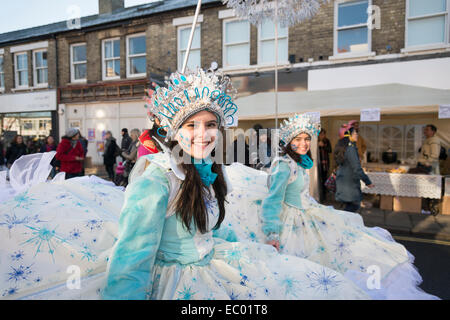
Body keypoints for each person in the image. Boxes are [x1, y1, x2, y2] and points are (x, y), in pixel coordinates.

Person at [101, 68, 369, 300]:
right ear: (174, 130)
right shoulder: (157, 180)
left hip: (213, 268)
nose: (203, 134)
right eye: (191, 125)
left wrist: (250, 249)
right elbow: (132, 256)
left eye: (210, 125)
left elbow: (209, 230)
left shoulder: (208, 172)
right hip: (176, 284)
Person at [218, 113, 439, 300]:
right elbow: (272, 201)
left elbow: (299, 194)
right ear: (289, 141)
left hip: (307, 216)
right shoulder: (283, 166)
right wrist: (272, 233)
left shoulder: (298, 163)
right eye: (298, 139)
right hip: (291, 226)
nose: (304, 144)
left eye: (307, 139)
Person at [334, 127, 374, 212]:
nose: (357, 135)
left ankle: (344, 222)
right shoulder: (350, 149)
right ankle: (342, 222)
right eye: (355, 133)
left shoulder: (345, 147)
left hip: (344, 180)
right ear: (350, 135)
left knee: (350, 206)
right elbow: (357, 168)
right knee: (354, 206)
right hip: (349, 183)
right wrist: (367, 181)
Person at [318, 129, 332, 203]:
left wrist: (323, 146)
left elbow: (330, 150)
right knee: (318, 180)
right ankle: (319, 195)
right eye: (321, 134)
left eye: (324, 134)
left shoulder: (327, 141)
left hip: (325, 163)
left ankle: (324, 196)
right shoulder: (315, 141)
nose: (322, 136)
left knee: (324, 179)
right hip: (317, 164)